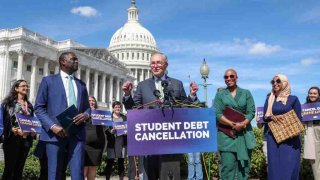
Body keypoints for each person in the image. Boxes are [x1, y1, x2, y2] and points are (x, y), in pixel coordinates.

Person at [122, 52, 187, 179]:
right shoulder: (142, 85)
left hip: (171, 139)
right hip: (150, 139)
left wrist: (193, 97)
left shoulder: (177, 84)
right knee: (149, 175)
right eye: (153, 63)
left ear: (166, 65)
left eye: (159, 62)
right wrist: (127, 95)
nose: (155, 66)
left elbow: (185, 107)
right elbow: (134, 109)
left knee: (169, 176)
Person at [34, 51, 90, 180]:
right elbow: (39, 107)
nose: (77, 61)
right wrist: (52, 126)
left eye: (77, 59)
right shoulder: (48, 81)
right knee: (54, 173)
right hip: (54, 135)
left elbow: (87, 108)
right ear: (63, 62)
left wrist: (86, 115)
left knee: (78, 174)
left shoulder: (81, 85)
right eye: (74, 59)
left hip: (77, 134)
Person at [214, 69, 256, 180]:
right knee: (227, 169)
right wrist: (232, 125)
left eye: (231, 76)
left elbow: (251, 112)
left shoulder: (246, 93)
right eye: (226, 77)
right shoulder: (220, 95)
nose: (229, 79)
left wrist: (243, 124)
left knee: (244, 169)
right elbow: (217, 113)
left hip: (244, 134)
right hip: (226, 136)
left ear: (236, 78)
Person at [262, 74, 301, 180]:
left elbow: (299, 118)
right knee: (275, 167)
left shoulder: (293, 99)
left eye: (278, 81)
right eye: (273, 82)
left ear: (285, 83)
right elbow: (265, 118)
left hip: (291, 138)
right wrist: (272, 117)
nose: (275, 84)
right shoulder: (270, 99)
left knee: (289, 165)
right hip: (274, 137)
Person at [1, 80, 36, 180]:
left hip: (26, 141)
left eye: (27, 86)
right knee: (9, 169)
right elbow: (3, 122)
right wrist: (13, 130)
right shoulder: (8, 104)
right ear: (16, 88)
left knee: (19, 170)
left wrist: (34, 131)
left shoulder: (29, 105)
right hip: (12, 140)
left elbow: (32, 121)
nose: (26, 88)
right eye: (23, 86)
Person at [84, 96, 106, 180]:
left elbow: (105, 128)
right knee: (84, 167)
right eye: (89, 101)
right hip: (85, 145)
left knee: (93, 167)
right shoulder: (83, 113)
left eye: (93, 101)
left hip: (97, 145)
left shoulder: (100, 114)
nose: (91, 102)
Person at [105, 101, 127, 180]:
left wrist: (126, 132)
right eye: (116, 107)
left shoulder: (124, 117)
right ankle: (107, 178)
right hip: (112, 142)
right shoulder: (109, 117)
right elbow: (106, 129)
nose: (118, 108)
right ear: (113, 108)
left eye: (119, 107)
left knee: (121, 162)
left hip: (122, 143)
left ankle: (121, 178)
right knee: (110, 162)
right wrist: (110, 131)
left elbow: (128, 127)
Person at [187, 82, 203, 180]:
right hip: (188, 135)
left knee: (197, 159)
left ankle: (199, 178)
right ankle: (191, 178)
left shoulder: (198, 103)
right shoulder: (185, 102)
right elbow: (187, 104)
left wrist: (194, 94)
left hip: (197, 135)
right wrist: (191, 93)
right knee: (191, 160)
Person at [303, 87, 320, 179]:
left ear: (318, 95)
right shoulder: (305, 107)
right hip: (312, 131)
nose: (312, 95)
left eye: (315, 93)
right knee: (315, 160)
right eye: (310, 93)